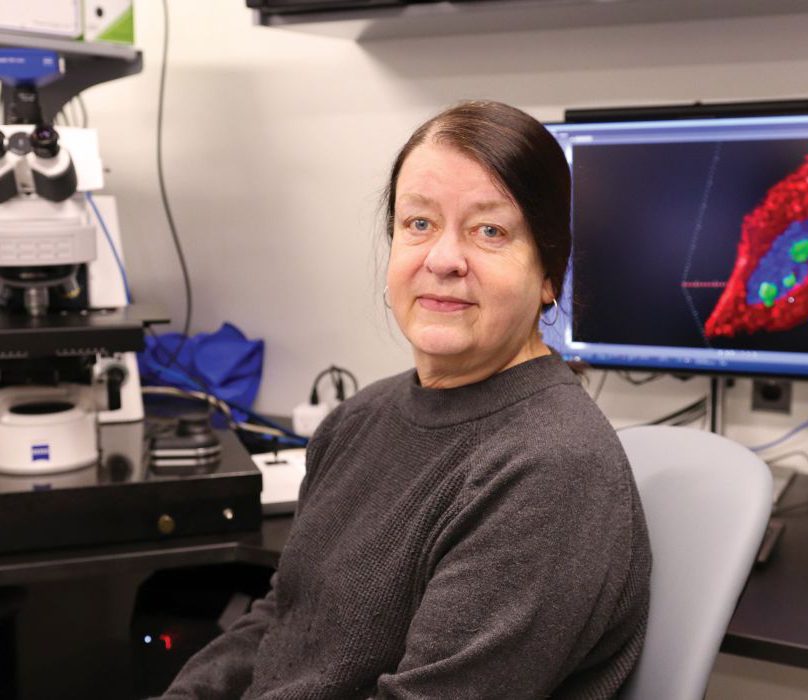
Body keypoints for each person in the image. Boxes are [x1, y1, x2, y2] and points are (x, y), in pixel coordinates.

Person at [162, 100, 651, 699]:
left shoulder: (551, 470)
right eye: (418, 223)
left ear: (549, 273)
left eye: (489, 230)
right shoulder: (357, 421)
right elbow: (282, 621)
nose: (442, 260)